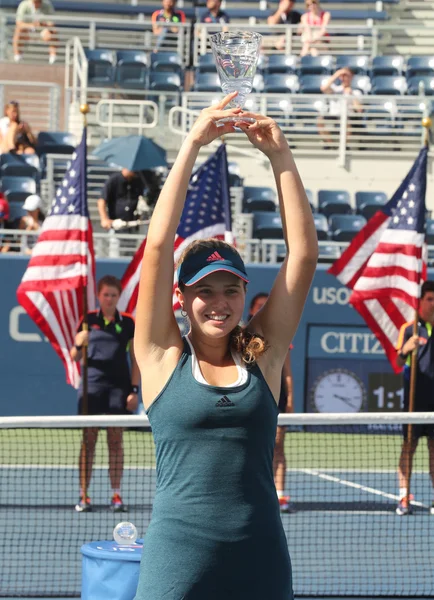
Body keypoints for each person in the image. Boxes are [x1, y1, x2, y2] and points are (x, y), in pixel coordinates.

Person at [132, 92, 318, 600]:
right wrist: (192, 142)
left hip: (260, 558)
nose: (219, 303)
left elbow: (302, 257)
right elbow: (155, 249)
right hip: (177, 559)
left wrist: (280, 155)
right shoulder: (161, 355)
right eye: (204, 291)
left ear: (243, 293)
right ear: (181, 296)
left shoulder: (262, 352)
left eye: (231, 289)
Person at [70, 275, 140, 513]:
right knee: (88, 442)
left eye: (113, 295)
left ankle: (116, 494)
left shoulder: (128, 322)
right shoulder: (88, 320)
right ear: (99, 296)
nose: (109, 299)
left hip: (118, 389)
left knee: (116, 441)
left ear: (118, 297)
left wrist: (134, 390)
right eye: (105, 295)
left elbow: (136, 359)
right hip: (92, 388)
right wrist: (79, 343)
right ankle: (84, 495)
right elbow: (74, 357)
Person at [395, 280, 434, 517]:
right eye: (429, 299)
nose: (433, 304)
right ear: (420, 301)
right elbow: (399, 363)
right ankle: (403, 495)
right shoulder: (409, 329)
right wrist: (407, 348)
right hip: (414, 400)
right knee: (409, 446)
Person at [248, 292, 294, 513]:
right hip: (252, 396)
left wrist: (291, 396)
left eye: (264, 305)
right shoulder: (242, 335)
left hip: (277, 398)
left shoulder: (279, 335)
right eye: (257, 305)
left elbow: (287, 371)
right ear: (250, 309)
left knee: (277, 446)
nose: (261, 309)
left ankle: (280, 493)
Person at [319, 67, 363, 147]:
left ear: (351, 77)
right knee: (320, 121)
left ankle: (343, 146)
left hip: (348, 116)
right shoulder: (335, 89)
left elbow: (359, 109)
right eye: (342, 75)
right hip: (334, 115)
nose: (344, 78)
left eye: (346, 75)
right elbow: (323, 88)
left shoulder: (356, 92)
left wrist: (351, 95)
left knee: (347, 122)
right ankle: (332, 145)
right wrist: (337, 74)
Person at [13, 0, 58, 64]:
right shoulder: (24, 5)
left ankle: (53, 58)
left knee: (53, 31)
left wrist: (42, 24)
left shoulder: (47, 5)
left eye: (38, 2)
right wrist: (32, 25)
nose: (36, 4)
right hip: (28, 31)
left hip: (43, 31)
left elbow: (51, 22)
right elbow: (19, 23)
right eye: (35, 2)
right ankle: (17, 57)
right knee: (18, 30)